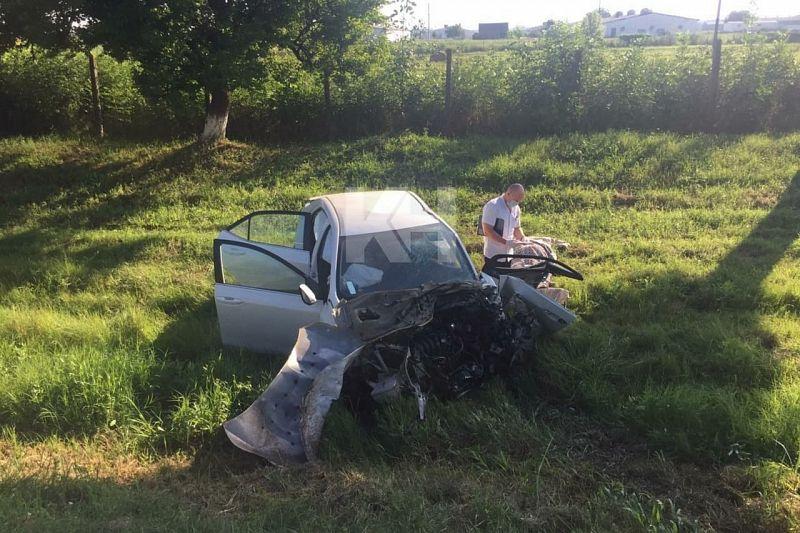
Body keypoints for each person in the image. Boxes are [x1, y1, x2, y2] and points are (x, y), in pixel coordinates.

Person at [481, 183, 526, 276]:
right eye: (516, 200)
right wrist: (506, 242)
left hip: (509, 254)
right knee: (491, 281)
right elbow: (487, 231)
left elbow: (517, 227)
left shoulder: (516, 208)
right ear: (508, 193)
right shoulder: (493, 206)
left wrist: (522, 238)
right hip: (494, 254)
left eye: (519, 201)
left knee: (504, 280)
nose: (517, 203)